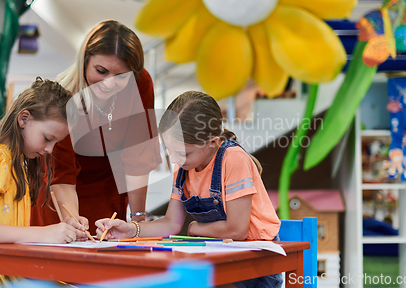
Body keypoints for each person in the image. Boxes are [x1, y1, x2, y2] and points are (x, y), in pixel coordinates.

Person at [95, 91, 282, 288]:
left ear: (212, 142)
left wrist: (195, 228)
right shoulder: (183, 167)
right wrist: (131, 230)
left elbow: (237, 230)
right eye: (170, 151)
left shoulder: (234, 159)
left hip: (258, 262)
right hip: (221, 256)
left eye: (183, 153)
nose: (175, 159)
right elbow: (170, 223)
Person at [30, 20, 161, 235]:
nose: (108, 84)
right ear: (84, 62)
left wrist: (138, 224)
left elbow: (137, 154)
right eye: (101, 71)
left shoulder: (140, 83)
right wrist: (74, 222)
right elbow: (62, 176)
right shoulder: (64, 98)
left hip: (107, 187)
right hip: (61, 194)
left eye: (120, 77)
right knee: (70, 247)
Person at [0, 78, 86, 288]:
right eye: (47, 138)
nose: (50, 150)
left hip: (8, 272)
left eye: (56, 142)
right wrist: (44, 233)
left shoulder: (18, 161)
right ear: (24, 119)